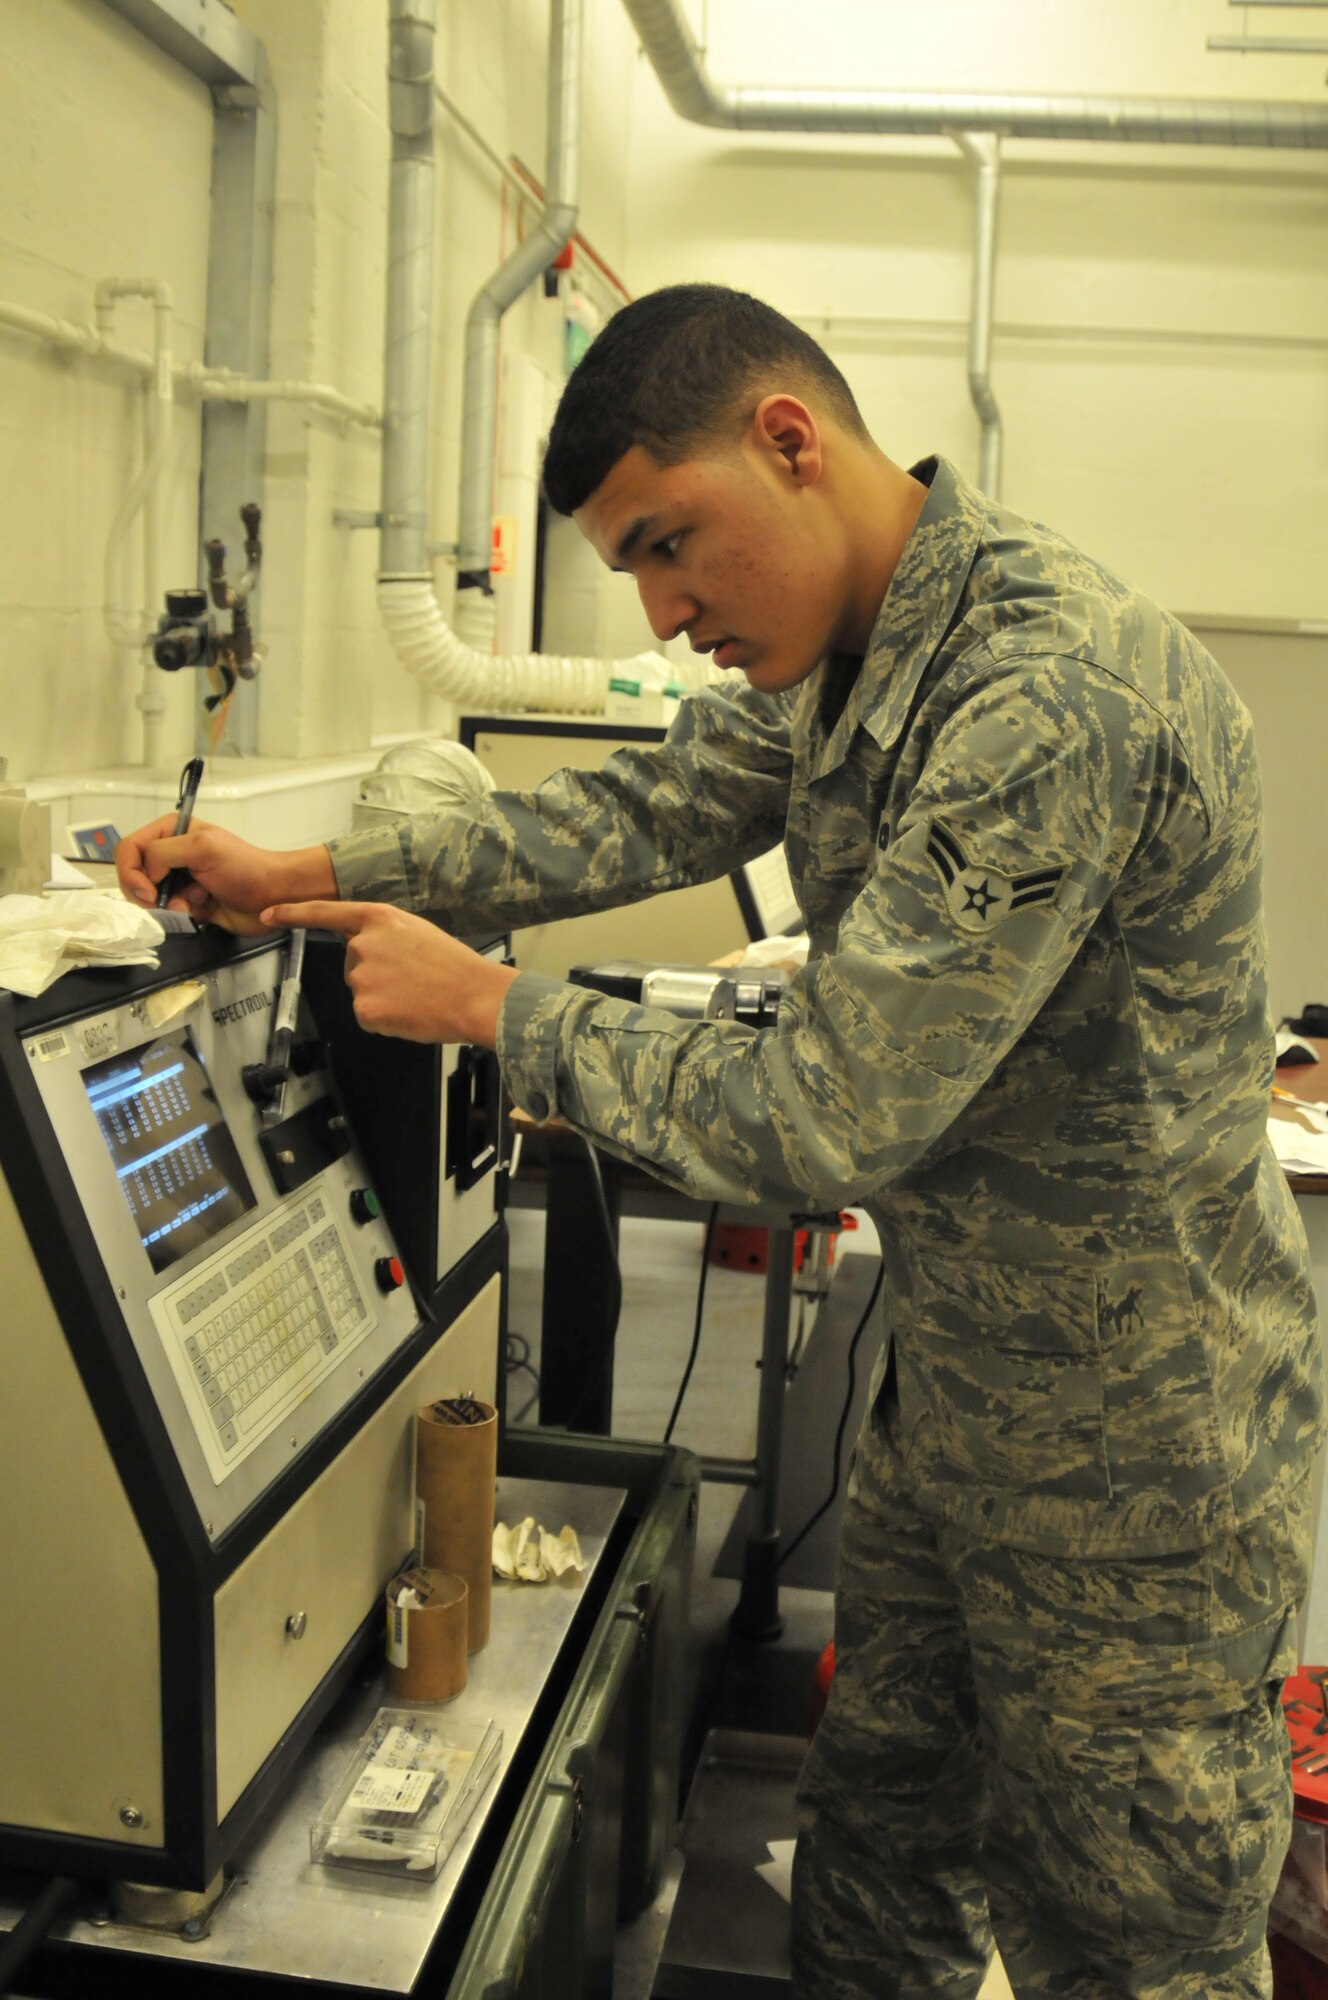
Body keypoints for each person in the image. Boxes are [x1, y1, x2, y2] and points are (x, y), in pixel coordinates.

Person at [118, 284, 1323, 1998]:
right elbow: (644, 806)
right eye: (634, 570)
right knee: (881, 1860)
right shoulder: (848, 653)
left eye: (673, 546)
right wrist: (304, 876)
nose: (667, 611)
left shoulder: (1045, 695)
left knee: (1127, 1946)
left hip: (1141, 1464)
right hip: (963, 1400)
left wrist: (497, 1014)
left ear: (789, 442)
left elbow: (830, 1111)